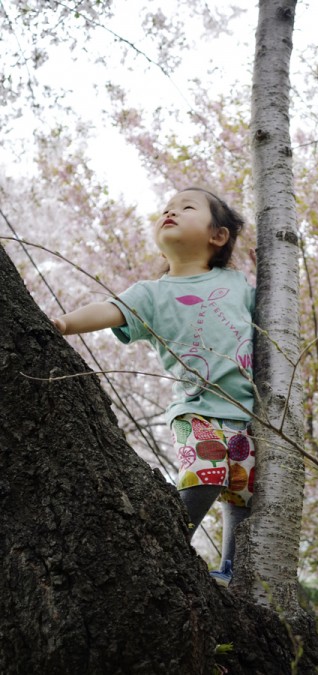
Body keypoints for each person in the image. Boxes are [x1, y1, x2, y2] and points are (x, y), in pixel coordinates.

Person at [53, 187, 255, 587]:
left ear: (218, 236)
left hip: (247, 414)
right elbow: (109, 310)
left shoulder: (237, 284)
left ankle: (232, 569)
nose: (171, 211)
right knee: (206, 472)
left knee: (242, 490)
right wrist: (64, 325)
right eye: (166, 208)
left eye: (186, 207)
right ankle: (169, 546)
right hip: (197, 409)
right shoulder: (151, 294)